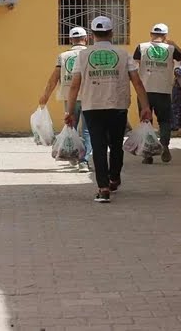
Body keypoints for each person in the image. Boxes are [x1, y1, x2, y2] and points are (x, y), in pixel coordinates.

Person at [66, 16, 152, 203]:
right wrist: (145, 106)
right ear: (112, 33)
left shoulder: (82, 56)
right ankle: (114, 178)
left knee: (98, 146)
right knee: (115, 144)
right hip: (118, 106)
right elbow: (137, 82)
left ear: (91, 35)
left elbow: (74, 86)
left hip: (92, 107)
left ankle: (103, 188)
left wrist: (69, 111)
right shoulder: (124, 54)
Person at [133, 23, 181, 164]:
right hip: (163, 90)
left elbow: (135, 65)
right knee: (164, 121)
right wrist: (174, 45)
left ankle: (148, 153)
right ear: (165, 36)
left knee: (146, 120)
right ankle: (164, 145)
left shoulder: (141, 47)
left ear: (151, 34)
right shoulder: (170, 49)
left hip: (144, 90)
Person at [39, 26, 92, 172]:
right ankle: (84, 160)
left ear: (70, 40)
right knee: (87, 130)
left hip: (70, 98)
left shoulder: (63, 57)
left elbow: (54, 79)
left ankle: (73, 156)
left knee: (71, 127)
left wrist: (45, 97)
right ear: (86, 38)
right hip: (89, 97)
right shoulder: (90, 54)